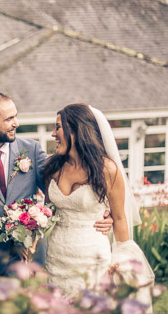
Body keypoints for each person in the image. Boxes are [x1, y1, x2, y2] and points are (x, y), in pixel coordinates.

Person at [0, 92, 113, 277]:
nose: (16, 123)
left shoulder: (32, 150)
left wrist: (104, 212)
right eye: (9, 119)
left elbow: (59, 193)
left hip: (31, 255)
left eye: (16, 116)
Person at [43, 104, 154, 309]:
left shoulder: (107, 170)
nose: (53, 134)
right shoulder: (52, 167)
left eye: (58, 127)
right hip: (56, 257)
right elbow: (46, 212)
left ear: (76, 130)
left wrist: (120, 258)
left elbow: (120, 218)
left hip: (92, 257)